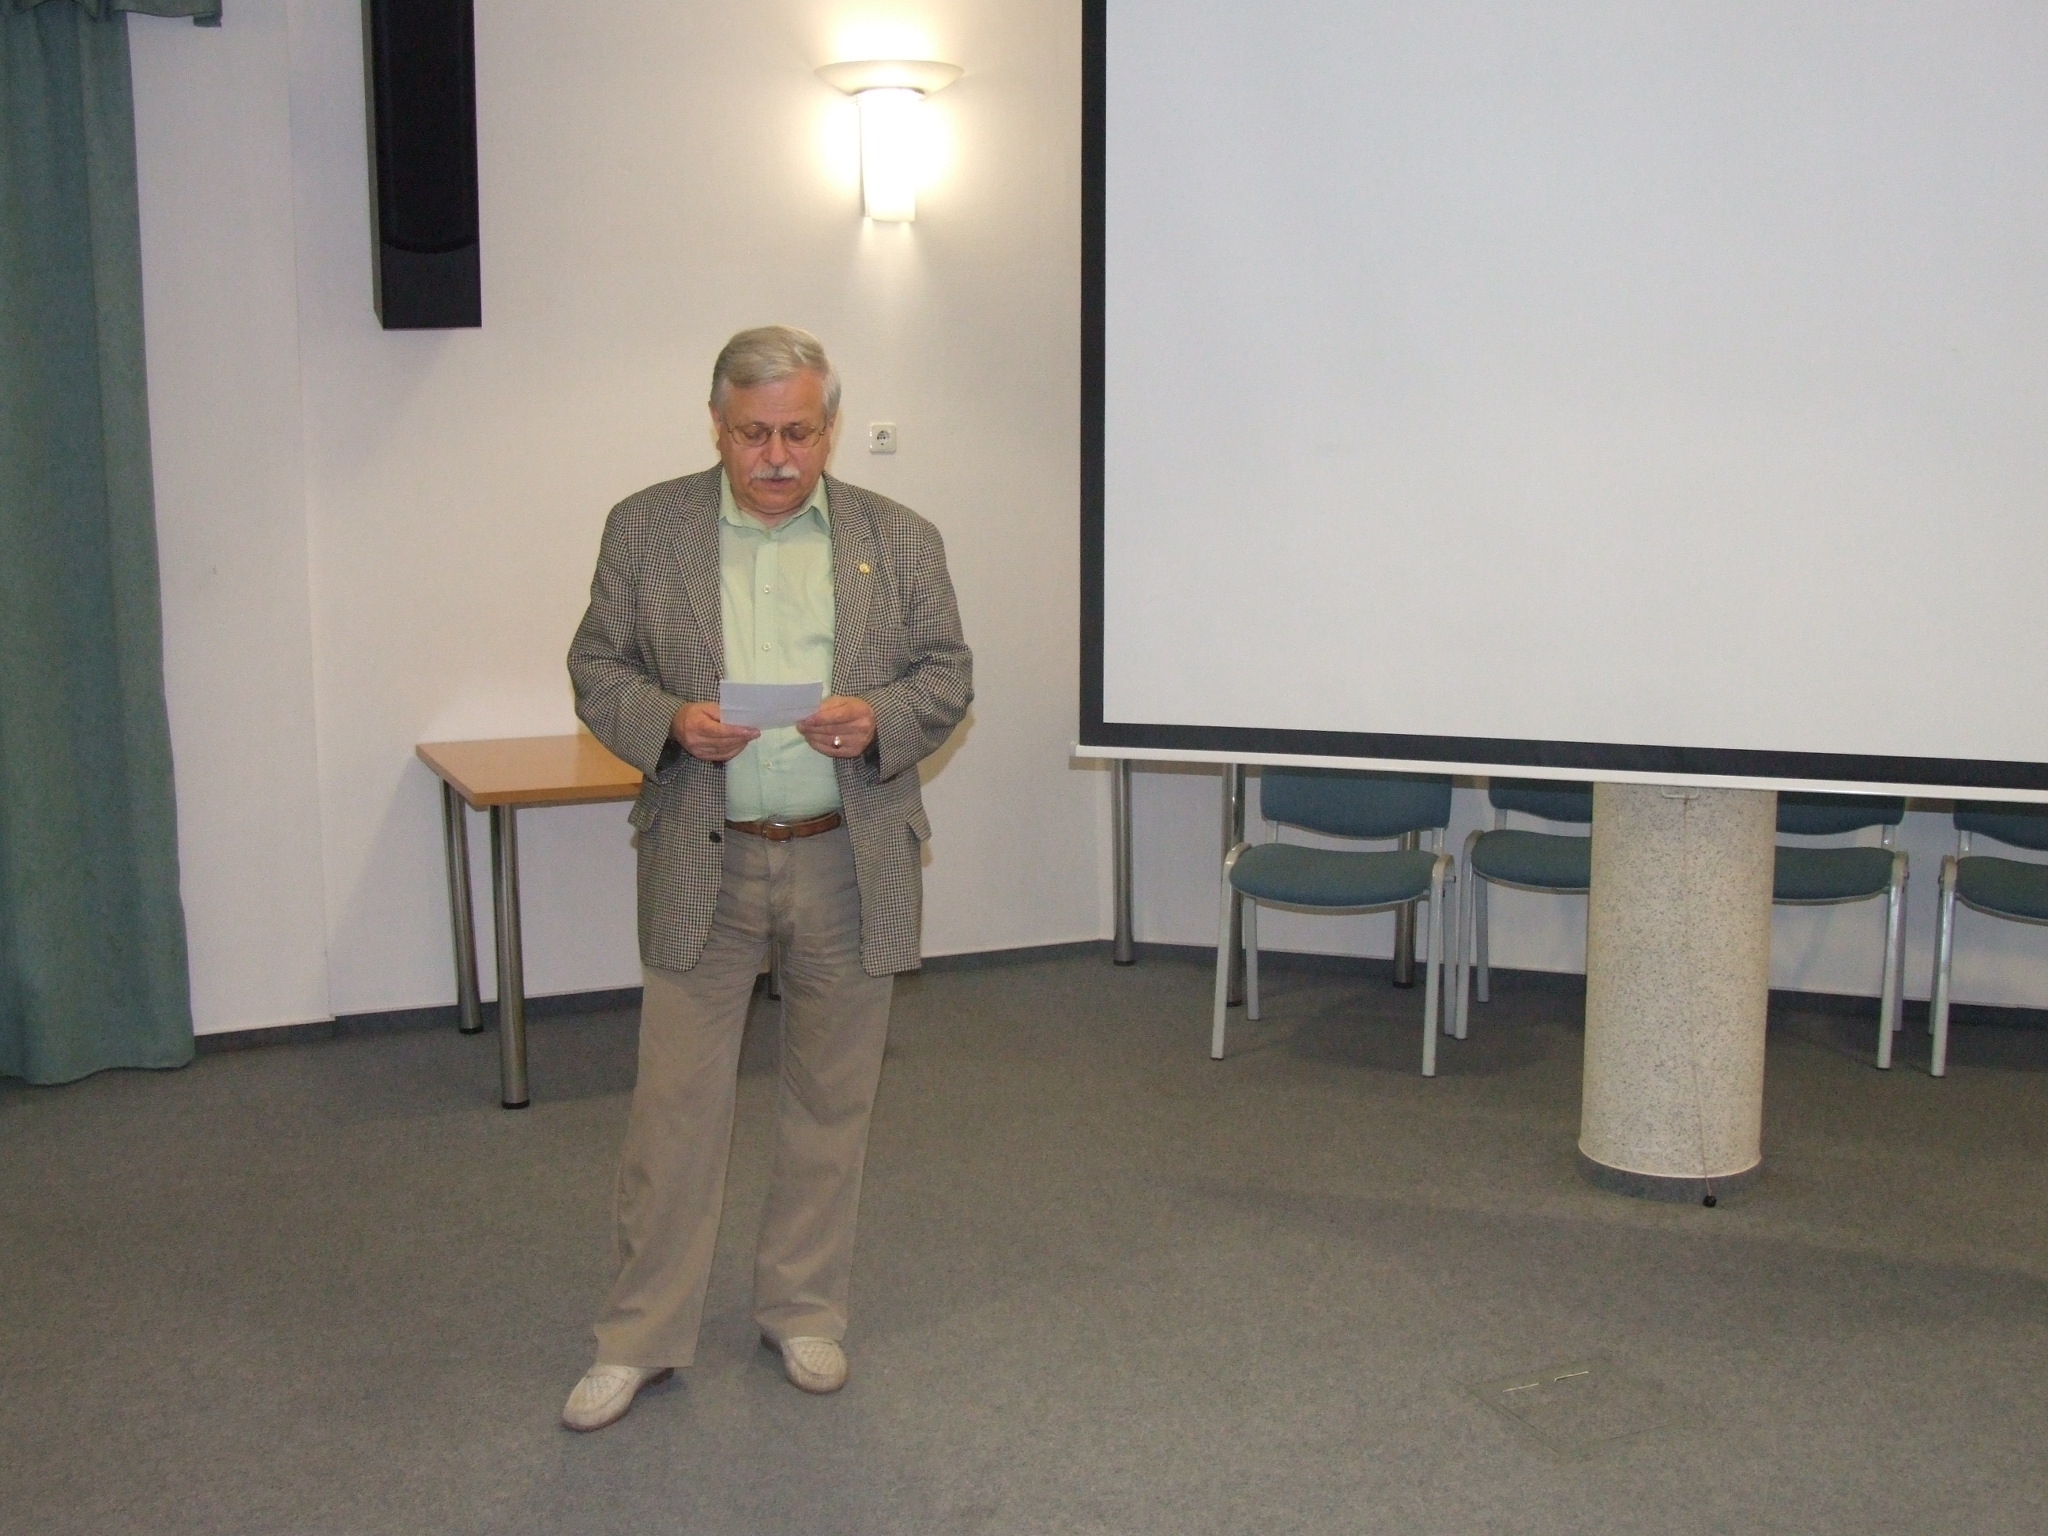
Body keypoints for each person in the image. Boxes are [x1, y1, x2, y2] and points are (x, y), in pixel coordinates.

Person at [560, 325, 972, 1431]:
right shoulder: (646, 528)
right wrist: (669, 721)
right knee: (673, 1111)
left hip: (848, 853)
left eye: (797, 432)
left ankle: (802, 1310)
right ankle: (638, 1338)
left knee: (831, 1099)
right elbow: (595, 666)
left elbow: (947, 674)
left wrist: (878, 718)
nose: (776, 457)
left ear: (829, 428)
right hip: (707, 852)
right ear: (716, 427)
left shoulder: (900, 536)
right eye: (753, 435)